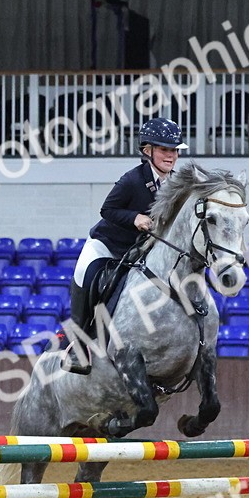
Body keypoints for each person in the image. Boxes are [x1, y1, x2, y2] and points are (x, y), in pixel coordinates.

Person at [62, 117, 187, 374]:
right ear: (147, 151)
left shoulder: (177, 184)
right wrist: (134, 218)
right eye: (164, 149)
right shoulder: (131, 180)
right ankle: (78, 345)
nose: (171, 155)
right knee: (86, 276)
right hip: (107, 245)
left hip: (141, 250)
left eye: (174, 150)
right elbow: (107, 209)